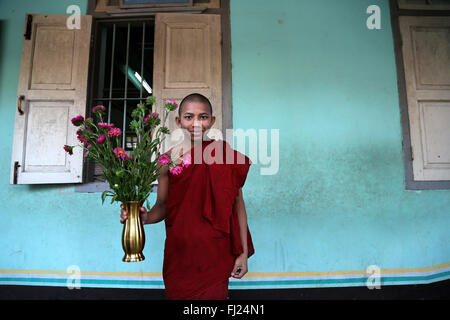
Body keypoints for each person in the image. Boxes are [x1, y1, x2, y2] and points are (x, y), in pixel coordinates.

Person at [120, 93, 254, 300]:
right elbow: (163, 206)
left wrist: (243, 254)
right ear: (178, 121)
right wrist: (142, 218)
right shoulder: (166, 161)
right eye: (189, 117)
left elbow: (238, 207)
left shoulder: (223, 154)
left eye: (203, 117)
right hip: (179, 252)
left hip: (215, 251)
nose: (196, 123)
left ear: (212, 121)